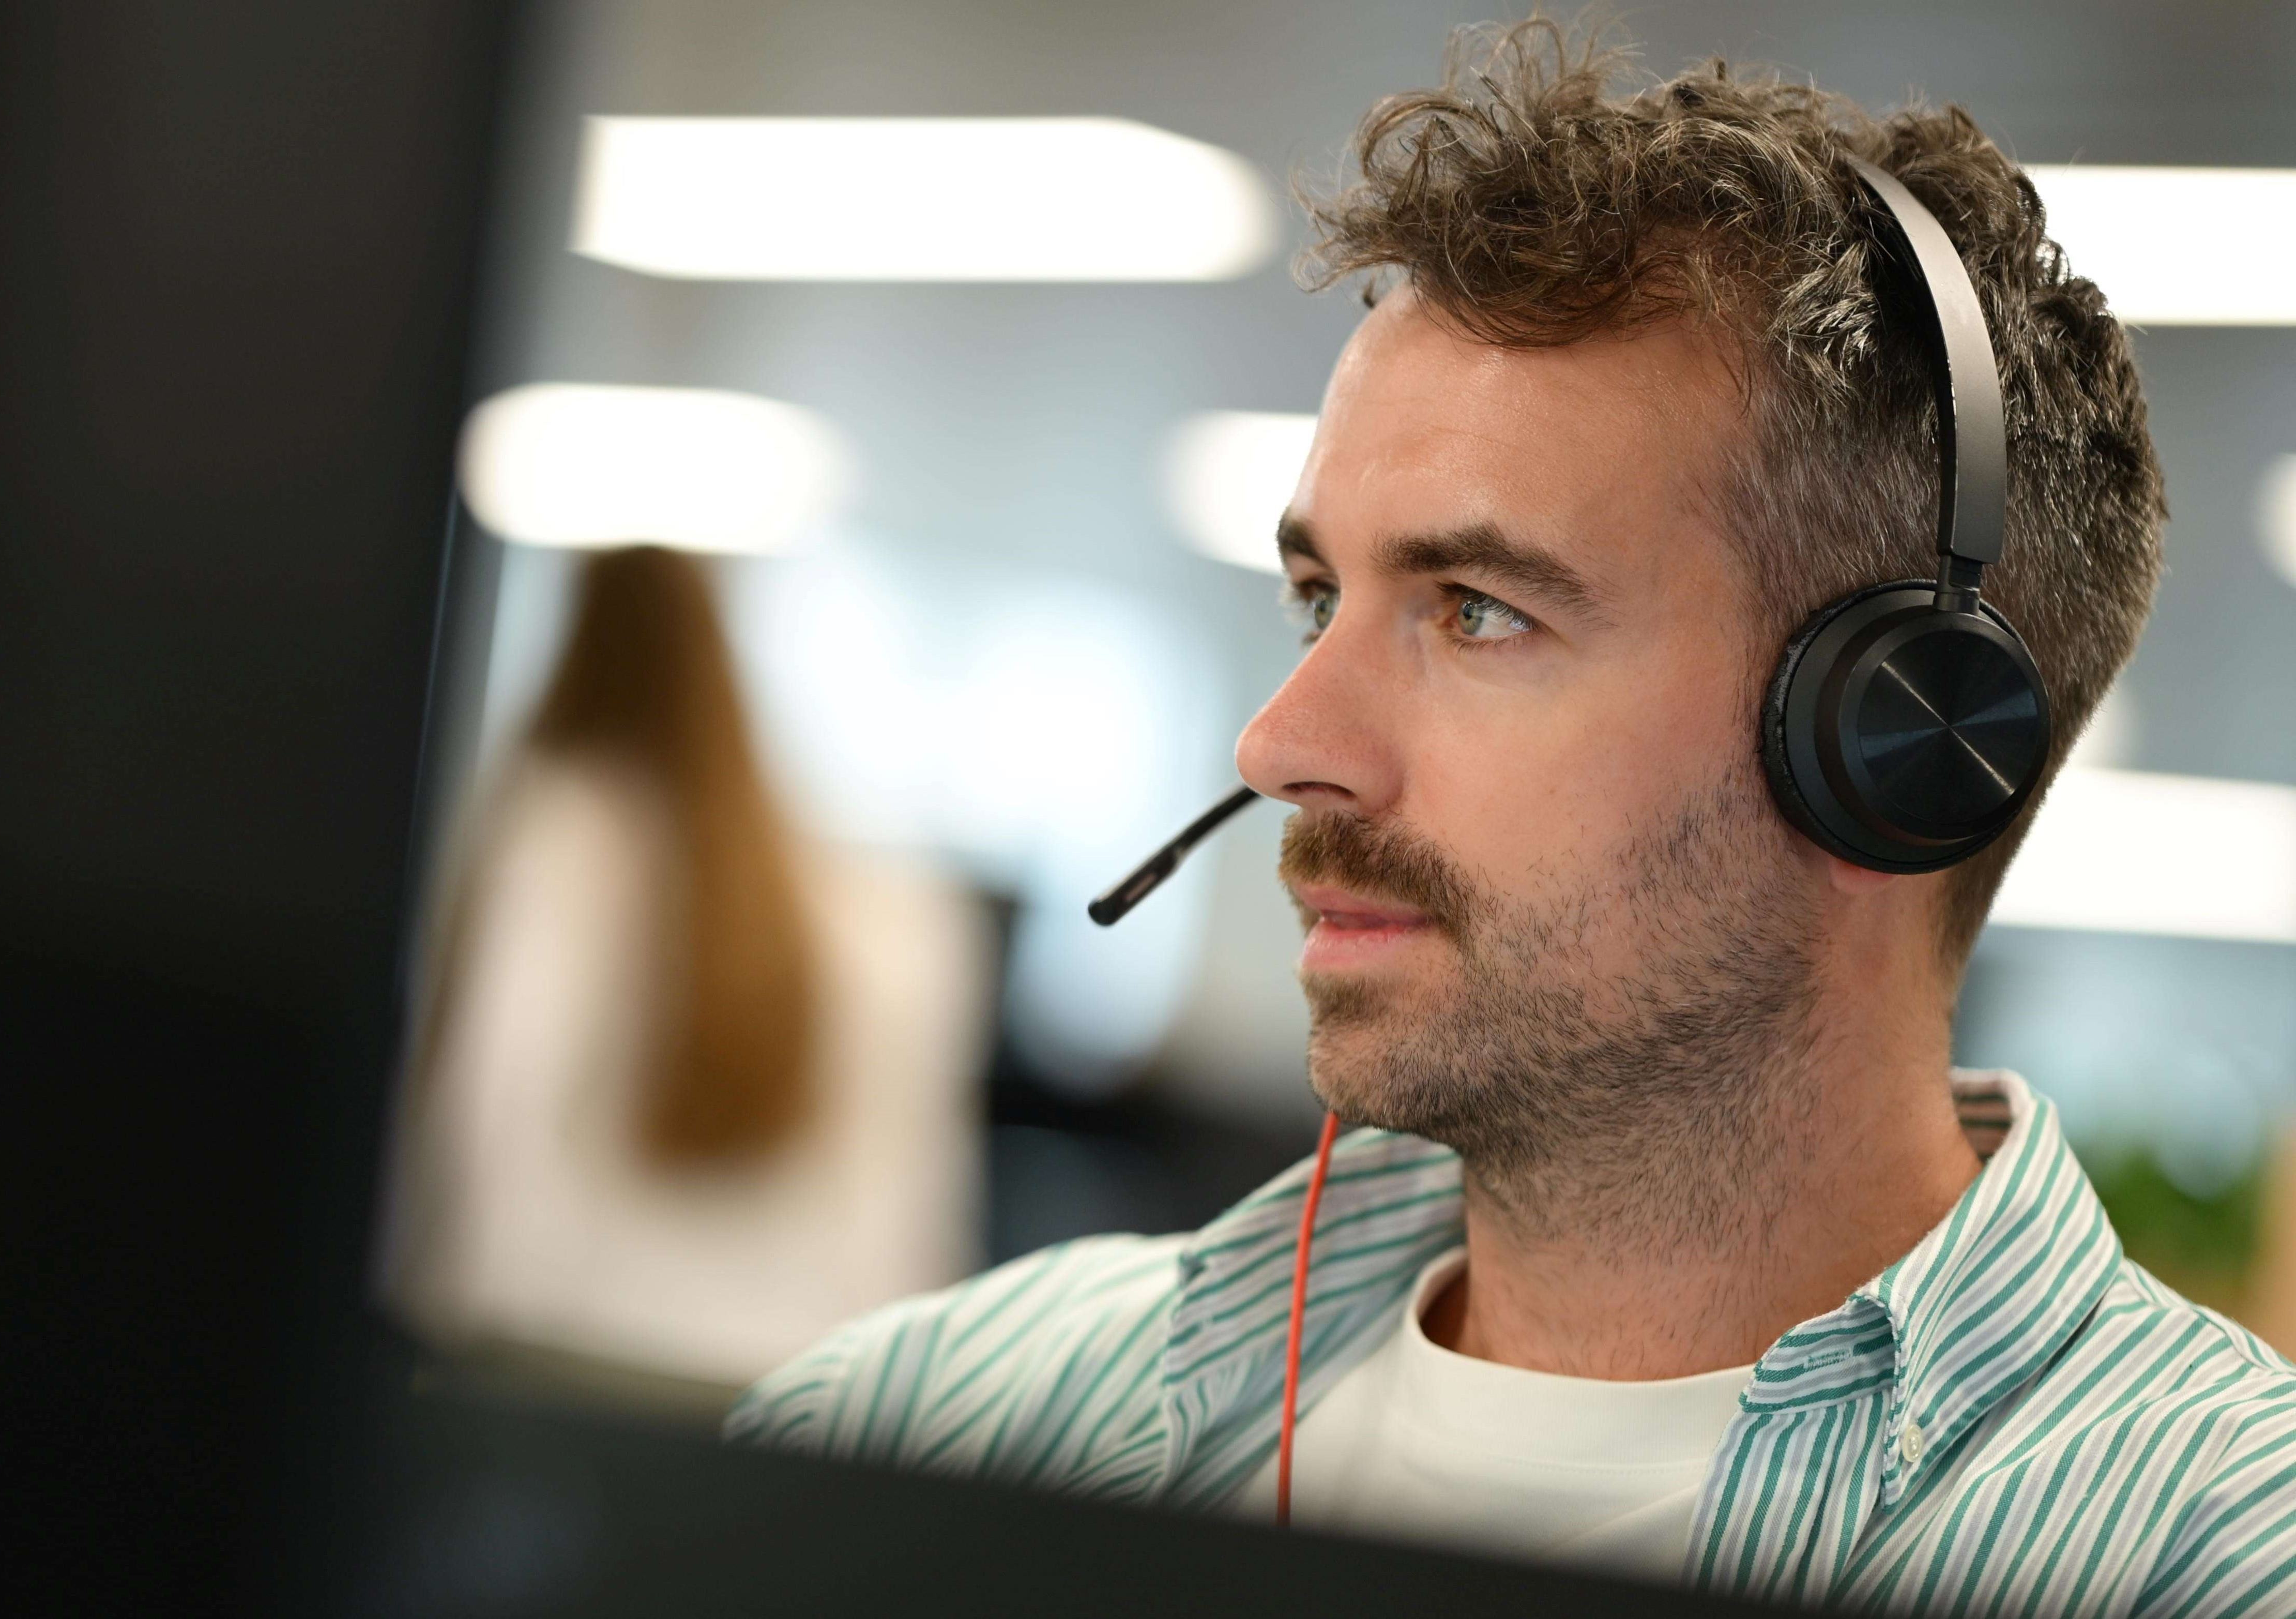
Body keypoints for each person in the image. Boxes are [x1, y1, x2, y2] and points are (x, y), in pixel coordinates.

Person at [727, 22, 2296, 1611]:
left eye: (1477, 610)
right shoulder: (927, 1429)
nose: (1282, 744)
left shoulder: (2214, 1561)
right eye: (1318, 596)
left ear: (1890, 744)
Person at [385, 545, 987, 1389]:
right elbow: (912, 1212)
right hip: (795, 1386)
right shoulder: (879, 907)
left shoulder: (548, 843)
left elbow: (482, 1130)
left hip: (560, 1370)